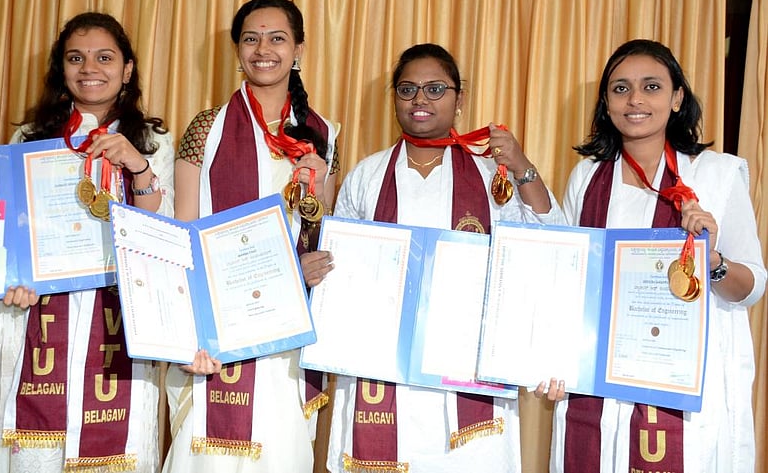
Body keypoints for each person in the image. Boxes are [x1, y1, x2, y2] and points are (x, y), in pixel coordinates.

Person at [324, 43, 565, 472]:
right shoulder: (368, 173)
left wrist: (522, 164)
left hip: (465, 377)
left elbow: (552, 243)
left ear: (460, 100)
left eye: (435, 88)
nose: (420, 99)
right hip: (381, 370)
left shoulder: (494, 174)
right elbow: (340, 269)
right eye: (408, 89)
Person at [0, 12, 174, 473]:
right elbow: (3, 229)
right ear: (61, 68)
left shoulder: (154, 142)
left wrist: (136, 166)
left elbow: (163, 233)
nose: (89, 69)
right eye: (76, 58)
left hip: (114, 314)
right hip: (36, 312)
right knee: (29, 452)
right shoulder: (29, 139)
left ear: (127, 69)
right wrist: (12, 278)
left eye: (104, 57)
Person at [538, 39, 766, 472]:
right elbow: (567, 280)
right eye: (620, 89)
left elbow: (752, 287)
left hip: (681, 390)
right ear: (606, 102)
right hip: (598, 387)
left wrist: (710, 260)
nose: (635, 99)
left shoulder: (715, 175)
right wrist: (551, 358)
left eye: (651, 87)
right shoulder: (586, 178)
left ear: (677, 97)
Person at [163, 0, 339, 472]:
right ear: (237, 49)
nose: (264, 49)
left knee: (280, 450)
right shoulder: (206, 128)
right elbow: (181, 234)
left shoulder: (323, 134)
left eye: (278, 38)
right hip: (215, 324)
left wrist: (319, 187)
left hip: (287, 329)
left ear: (299, 48)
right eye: (251, 38)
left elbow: (320, 237)